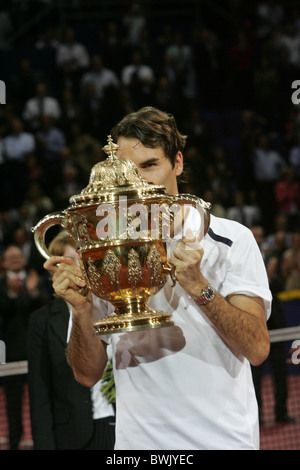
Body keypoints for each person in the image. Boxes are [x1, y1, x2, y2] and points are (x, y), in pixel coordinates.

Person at [44, 106, 272, 450]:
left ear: (177, 163)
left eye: (150, 165)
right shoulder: (105, 251)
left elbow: (256, 348)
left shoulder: (231, 239)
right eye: (128, 171)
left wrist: (198, 286)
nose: (139, 182)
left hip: (224, 442)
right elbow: (86, 373)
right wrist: (80, 311)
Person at [28, 231, 115, 450]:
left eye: (86, 258)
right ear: (55, 267)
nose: (81, 267)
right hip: (74, 435)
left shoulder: (113, 306)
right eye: (73, 260)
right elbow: (40, 394)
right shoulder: (43, 320)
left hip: (119, 425)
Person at [0, 245, 48, 450]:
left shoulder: (37, 280)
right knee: (12, 403)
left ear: (24, 259)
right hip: (9, 353)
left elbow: (46, 308)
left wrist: (32, 291)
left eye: (18, 255)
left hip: (37, 349)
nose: (15, 259)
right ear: (2, 263)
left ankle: (42, 442)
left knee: (41, 398)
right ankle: (13, 442)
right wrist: (11, 294)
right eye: (10, 257)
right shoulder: (1, 285)